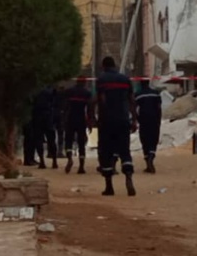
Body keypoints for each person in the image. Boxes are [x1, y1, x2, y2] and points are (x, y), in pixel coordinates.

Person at [94, 56, 138, 196]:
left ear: (103, 66)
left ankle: (109, 187)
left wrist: (97, 117)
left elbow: (102, 99)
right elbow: (132, 101)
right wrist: (134, 120)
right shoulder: (125, 80)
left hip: (107, 121)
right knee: (125, 150)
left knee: (105, 152)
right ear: (115, 65)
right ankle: (129, 178)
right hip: (123, 120)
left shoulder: (101, 80)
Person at [63, 77, 93, 174]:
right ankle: (81, 166)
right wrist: (90, 122)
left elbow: (65, 106)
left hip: (70, 118)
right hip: (81, 119)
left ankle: (70, 159)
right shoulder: (86, 93)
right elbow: (89, 108)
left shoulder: (69, 91)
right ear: (84, 83)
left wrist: (64, 119)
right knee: (81, 143)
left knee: (68, 140)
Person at [135, 82, 163, 174]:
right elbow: (159, 107)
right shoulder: (155, 93)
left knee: (144, 139)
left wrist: (136, 120)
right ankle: (151, 156)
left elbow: (134, 108)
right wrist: (159, 119)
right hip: (154, 119)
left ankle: (147, 161)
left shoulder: (138, 94)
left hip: (143, 119)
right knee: (153, 139)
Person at [32, 87, 58, 169]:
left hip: (37, 117)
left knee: (39, 140)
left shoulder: (35, 91)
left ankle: (42, 161)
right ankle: (54, 161)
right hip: (48, 116)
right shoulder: (51, 91)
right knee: (51, 140)